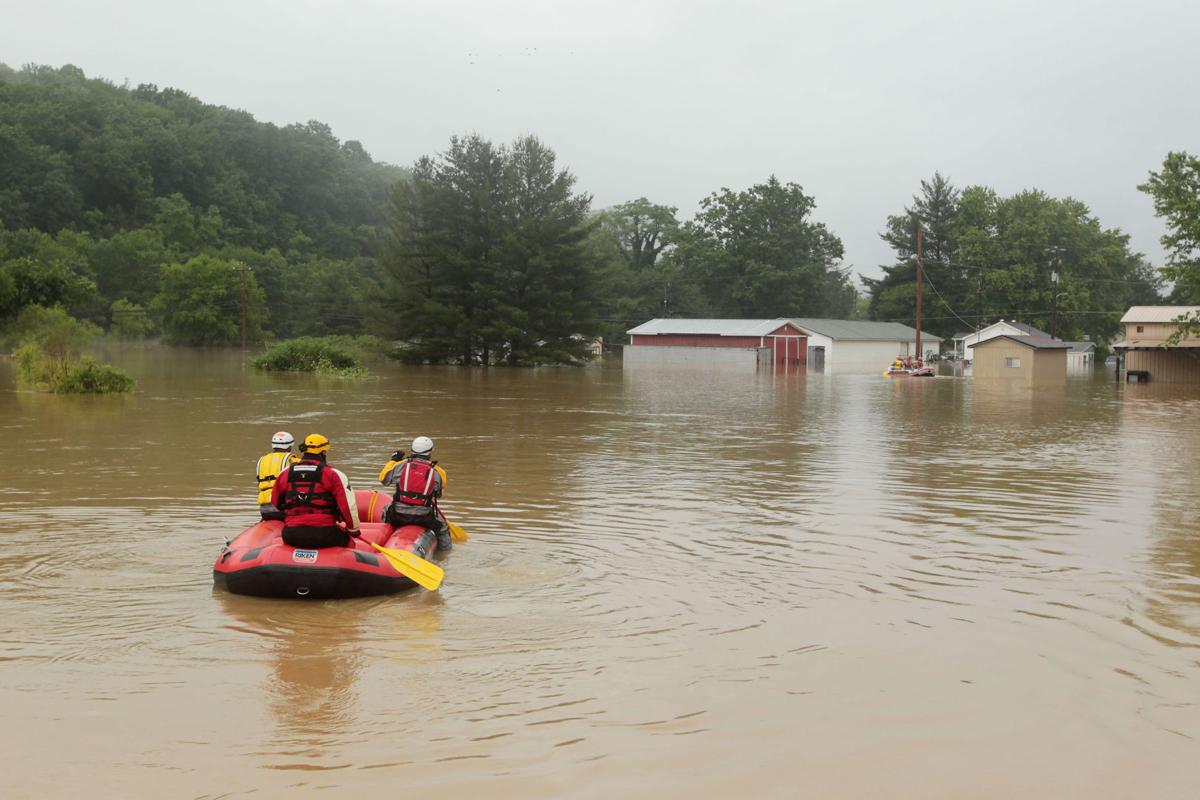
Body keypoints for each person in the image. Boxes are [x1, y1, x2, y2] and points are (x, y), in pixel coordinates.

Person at [271, 433, 361, 549]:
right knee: (349, 543)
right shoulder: (334, 474)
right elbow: (348, 507)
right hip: (325, 534)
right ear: (323, 452)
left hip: (292, 535)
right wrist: (353, 531)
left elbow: (275, 503)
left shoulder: (284, 473)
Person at [378, 436, 451, 551]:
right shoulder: (438, 472)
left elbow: (383, 479)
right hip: (424, 516)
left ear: (412, 450)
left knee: (385, 510)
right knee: (443, 528)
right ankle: (445, 554)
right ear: (430, 452)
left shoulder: (400, 465)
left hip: (398, 514)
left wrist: (393, 460)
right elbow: (438, 495)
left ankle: (383, 544)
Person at [256, 431, 300, 520]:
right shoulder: (292, 460)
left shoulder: (262, 460)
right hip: (283, 509)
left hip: (264, 509)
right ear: (290, 446)